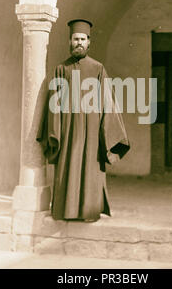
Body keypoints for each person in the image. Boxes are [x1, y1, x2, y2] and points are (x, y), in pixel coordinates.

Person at [36, 19, 130, 222]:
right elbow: (54, 104)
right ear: (69, 42)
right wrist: (55, 131)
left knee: (90, 168)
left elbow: (108, 102)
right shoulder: (61, 69)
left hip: (92, 130)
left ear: (89, 42)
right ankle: (66, 212)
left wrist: (108, 132)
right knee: (67, 167)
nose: (79, 42)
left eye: (83, 39)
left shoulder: (98, 69)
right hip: (68, 131)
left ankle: (89, 211)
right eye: (75, 39)